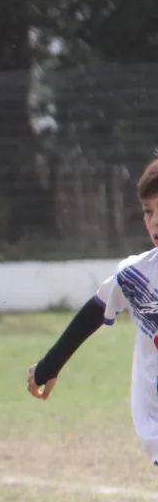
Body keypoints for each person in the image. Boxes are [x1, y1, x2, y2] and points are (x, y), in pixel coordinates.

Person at [28, 157, 158, 462]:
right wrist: (50, 365)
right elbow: (95, 311)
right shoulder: (136, 277)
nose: (154, 222)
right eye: (148, 211)